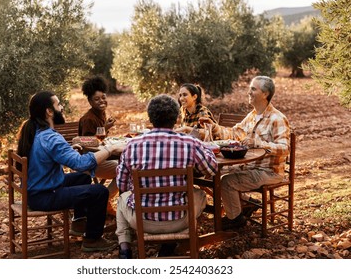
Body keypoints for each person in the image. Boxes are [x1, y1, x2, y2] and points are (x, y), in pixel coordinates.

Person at [17, 91, 125, 252]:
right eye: (58, 104)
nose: (62, 107)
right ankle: (92, 240)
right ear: (49, 111)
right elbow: (81, 163)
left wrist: (70, 150)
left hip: (36, 191)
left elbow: (50, 155)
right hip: (46, 196)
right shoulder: (50, 137)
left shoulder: (36, 132)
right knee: (100, 191)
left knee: (82, 178)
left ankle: (79, 222)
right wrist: (110, 149)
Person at [115, 94, 218, 259]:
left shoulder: (132, 146)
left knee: (122, 199)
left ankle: (125, 247)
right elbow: (212, 169)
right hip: (180, 219)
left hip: (142, 221)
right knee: (200, 194)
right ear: (177, 118)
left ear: (150, 118)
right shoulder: (190, 143)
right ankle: (173, 242)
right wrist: (201, 145)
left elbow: (122, 185)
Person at [193, 76, 291, 230]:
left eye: (253, 89)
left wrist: (258, 143)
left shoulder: (277, 118)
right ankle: (244, 204)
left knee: (226, 182)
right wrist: (214, 127)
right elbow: (234, 133)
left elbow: (285, 148)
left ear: (265, 94)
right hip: (249, 167)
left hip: (268, 171)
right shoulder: (252, 115)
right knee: (211, 172)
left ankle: (236, 219)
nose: (249, 92)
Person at [78, 75, 118, 215]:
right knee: (126, 169)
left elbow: (100, 140)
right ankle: (104, 200)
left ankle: (105, 201)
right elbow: (86, 144)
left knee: (125, 162)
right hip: (91, 162)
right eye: (97, 99)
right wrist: (105, 129)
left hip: (101, 158)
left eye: (103, 97)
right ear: (90, 101)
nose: (102, 101)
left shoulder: (100, 113)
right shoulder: (89, 119)